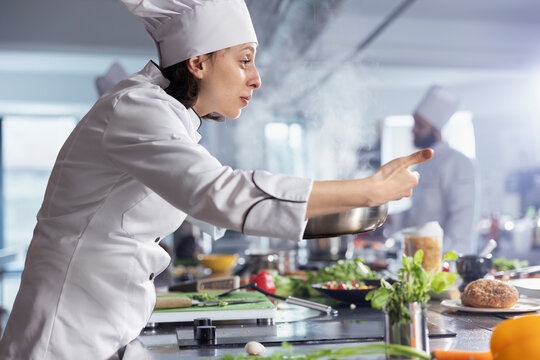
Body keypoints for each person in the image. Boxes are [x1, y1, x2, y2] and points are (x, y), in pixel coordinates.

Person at [0, 0, 433, 359]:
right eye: (244, 60)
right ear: (198, 62)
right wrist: (366, 190)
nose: (256, 78)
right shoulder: (135, 107)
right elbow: (220, 195)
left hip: (107, 328)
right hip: (65, 339)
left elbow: (214, 206)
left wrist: (350, 213)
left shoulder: (171, 118)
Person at [398, 85, 477, 255]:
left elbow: (462, 220)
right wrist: (388, 219)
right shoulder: (424, 163)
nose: (413, 129)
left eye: (420, 125)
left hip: (446, 259)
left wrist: (444, 259)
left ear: (435, 129)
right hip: (421, 256)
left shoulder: (457, 162)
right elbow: (419, 214)